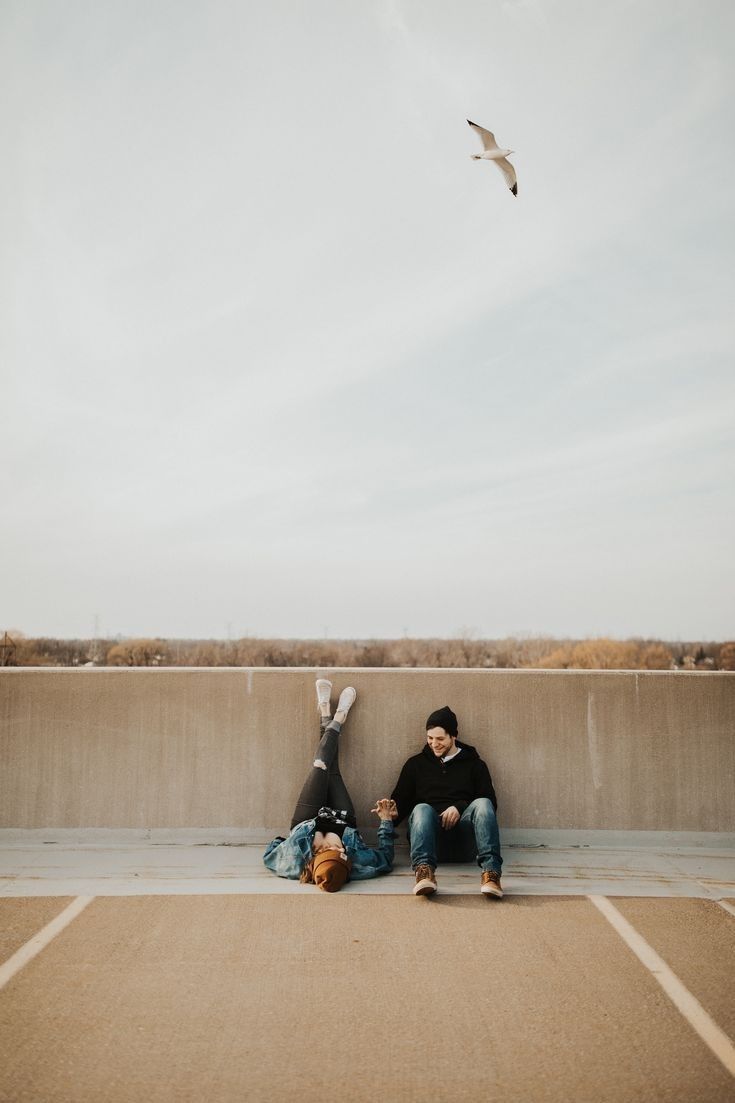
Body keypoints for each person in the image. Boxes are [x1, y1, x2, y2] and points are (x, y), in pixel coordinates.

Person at [263, 679, 397, 892]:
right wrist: (386, 821)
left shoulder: (291, 863)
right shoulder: (360, 864)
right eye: (340, 850)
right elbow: (387, 858)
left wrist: (290, 840)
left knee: (319, 767)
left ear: (314, 859)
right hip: (343, 818)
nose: (336, 846)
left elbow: (270, 852)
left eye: (328, 849)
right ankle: (333, 715)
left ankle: (333, 716)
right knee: (332, 771)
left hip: (307, 818)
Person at [390, 705, 503, 898]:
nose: (434, 744)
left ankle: (491, 874)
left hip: (464, 842)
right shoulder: (416, 765)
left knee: (483, 803)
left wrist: (459, 807)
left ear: (453, 736)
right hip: (428, 841)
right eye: (430, 738)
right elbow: (400, 804)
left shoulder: (475, 765)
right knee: (421, 808)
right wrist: (388, 815)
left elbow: (491, 803)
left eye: (440, 738)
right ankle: (424, 873)